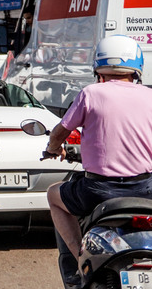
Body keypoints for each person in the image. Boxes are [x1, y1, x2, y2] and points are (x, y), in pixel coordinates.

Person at [45, 35, 152, 269]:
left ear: (99, 69)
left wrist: (53, 149)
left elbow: (60, 132)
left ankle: (80, 260)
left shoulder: (91, 93)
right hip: (145, 189)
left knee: (53, 195)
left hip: (98, 191)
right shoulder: (150, 96)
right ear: (137, 69)